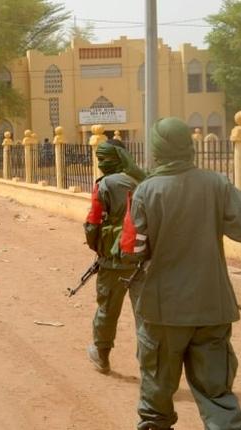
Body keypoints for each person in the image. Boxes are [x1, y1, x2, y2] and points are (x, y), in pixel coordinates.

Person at [121, 117, 241, 430]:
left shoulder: (145, 192)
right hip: (212, 306)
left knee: (157, 397)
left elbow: (133, 250)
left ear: (156, 150)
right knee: (217, 396)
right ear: (189, 147)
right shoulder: (217, 183)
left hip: (163, 311)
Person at [83, 139, 145, 374]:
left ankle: (101, 355)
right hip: (142, 258)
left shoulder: (104, 185)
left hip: (112, 260)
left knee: (107, 308)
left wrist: (100, 250)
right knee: (145, 314)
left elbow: (93, 223)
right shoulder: (143, 180)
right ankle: (148, 368)